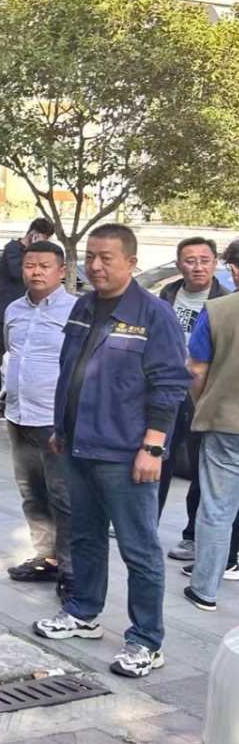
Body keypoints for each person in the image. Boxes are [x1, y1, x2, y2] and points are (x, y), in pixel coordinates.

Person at [33, 224, 191, 679]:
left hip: (125, 453)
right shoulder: (83, 306)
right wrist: (61, 428)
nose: (96, 266)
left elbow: (169, 385)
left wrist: (153, 447)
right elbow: (71, 371)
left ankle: (146, 641)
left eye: (107, 258)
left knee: (139, 550)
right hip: (78, 446)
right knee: (84, 537)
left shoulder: (154, 315)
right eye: (90, 257)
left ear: (131, 262)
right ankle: (83, 611)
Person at [1, 241, 76, 601]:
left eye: (45, 266)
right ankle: (46, 557)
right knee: (32, 493)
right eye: (30, 265)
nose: (36, 272)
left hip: (54, 420)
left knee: (63, 497)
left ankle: (72, 571)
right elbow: (10, 353)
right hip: (18, 415)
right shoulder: (13, 309)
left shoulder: (76, 311)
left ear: (61, 271)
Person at [157, 237, 230, 561]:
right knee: (157, 456)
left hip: (204, 391)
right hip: (167, 387)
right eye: (190, 260)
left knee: (202, 467)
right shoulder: (167, 295)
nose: (198, 267)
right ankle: (145, 522)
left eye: (205, 260)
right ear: (178, 265)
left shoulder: (224, 302)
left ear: (215, 264)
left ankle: (192, 536)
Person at [182, 239, 239, 612]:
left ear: (234, 269)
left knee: (217, 507)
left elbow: (196, 369)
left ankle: (205, 589)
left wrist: (201, 403)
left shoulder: (217, 310)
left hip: (226, 423)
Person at [0, 218, 56, 421]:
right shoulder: (13, 249)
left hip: (25, 314)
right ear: (34, 234)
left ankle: (9, 400)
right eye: (44, 237)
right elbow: (18, 273)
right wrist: (31, 253)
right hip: (6, 312)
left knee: (18, 358)